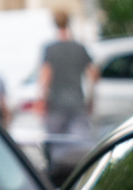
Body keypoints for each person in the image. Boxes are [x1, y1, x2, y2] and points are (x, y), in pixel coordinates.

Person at [35, 9, 97, 165]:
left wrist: (41, 99)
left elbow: (45, 76)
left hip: (56, 104)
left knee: (55, 146)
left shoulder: (50, 49)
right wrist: (91, 98)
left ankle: (58, 177)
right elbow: (94, 74)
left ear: (54, 24)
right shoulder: (79, 48)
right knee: (81, 145)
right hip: (77, 101)